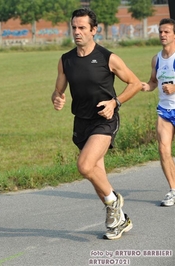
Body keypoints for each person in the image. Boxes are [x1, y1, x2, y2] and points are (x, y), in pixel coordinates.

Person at [51, 8, 142, 240]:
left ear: (94, 30)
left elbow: (134, 83)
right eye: (74, 27)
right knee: (95, 174)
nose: (77, 32)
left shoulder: (107, 57)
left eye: (82, 28)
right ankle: (119, 219)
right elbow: (58, 90)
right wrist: (57, 98)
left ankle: (113, 202)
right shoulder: (66, 60)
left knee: (84, 165)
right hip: (81, 122)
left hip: (104, 120)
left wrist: (115, 102)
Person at [141, 18, 175, 207]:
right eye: (161, 31)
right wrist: (147, 86)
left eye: (167, 32)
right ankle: (173, 189)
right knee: (163, 150)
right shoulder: (157, 59)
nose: (163, 35)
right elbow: (153, 81)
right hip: (164, 111)